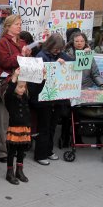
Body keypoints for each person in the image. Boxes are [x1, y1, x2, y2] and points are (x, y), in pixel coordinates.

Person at [31, 33, 73, 165]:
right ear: (50, 45)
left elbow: (72, 63)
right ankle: (40, 154)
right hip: (45, 97)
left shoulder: (60, 54)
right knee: (44, 126)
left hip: (57, 97)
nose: (58, 51)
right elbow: (40, 75)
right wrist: (56, 64)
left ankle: (48, 151)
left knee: (52, 126)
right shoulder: (41, 56)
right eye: (56, 48)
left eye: (60, 49)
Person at [0, 14, 31, 163]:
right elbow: (4, 62)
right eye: (16, 24)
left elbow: (25, 62)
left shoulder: (22, 42)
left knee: (17, 117)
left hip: (21, 82)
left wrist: (28, 55)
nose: (19, 26)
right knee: (3, 119)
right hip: (7, 83)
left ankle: (16, 146)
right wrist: (20, 57)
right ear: (8, 26)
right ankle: (1, 151)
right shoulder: (2, 42)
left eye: (20, 24)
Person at [4, 68, 45, 184]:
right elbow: (9, 90)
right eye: (20, 87)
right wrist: (15, 76)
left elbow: (37, 90)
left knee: (21, 151)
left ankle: (19, 171)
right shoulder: (10, 98)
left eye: (24, 87)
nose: (23, 89)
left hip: (25, 128)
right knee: (12, 152)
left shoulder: (25, 97)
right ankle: (9, 172)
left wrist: (43, 77)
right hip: (14, 128)